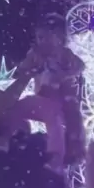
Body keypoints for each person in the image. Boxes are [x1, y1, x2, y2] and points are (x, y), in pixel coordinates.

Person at [16, 13, 85, 167]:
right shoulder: (35, 54)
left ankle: (72, 150)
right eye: (39, 38)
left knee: (71, 118)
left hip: (64, 98)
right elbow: (22, 69)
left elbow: (80, 66)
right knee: (53, 119)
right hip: (44, 98)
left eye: (46, 37)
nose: (42, 42)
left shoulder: (64, 53)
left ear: (59, 37)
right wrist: (31, 69)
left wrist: (66, 74)